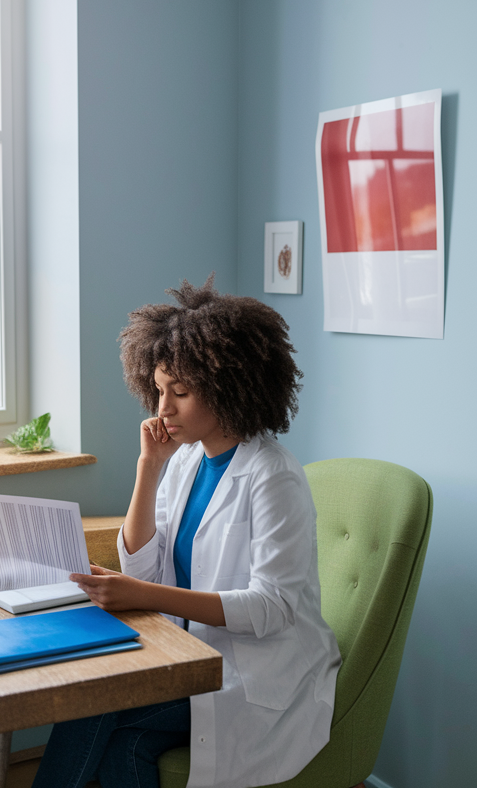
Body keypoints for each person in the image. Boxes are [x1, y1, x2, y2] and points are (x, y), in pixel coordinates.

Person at [33, 276, 341, 788]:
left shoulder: (273, 476)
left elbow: (272, 607)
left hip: (257, 674)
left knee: (95, 704)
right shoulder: (186, 460)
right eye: (157, 390)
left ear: (229, 387)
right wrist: (148, 468)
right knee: (124, 738)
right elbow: (143, 568)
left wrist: (141, 594)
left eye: (180, 392)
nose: (162, 409)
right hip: (188, 655)